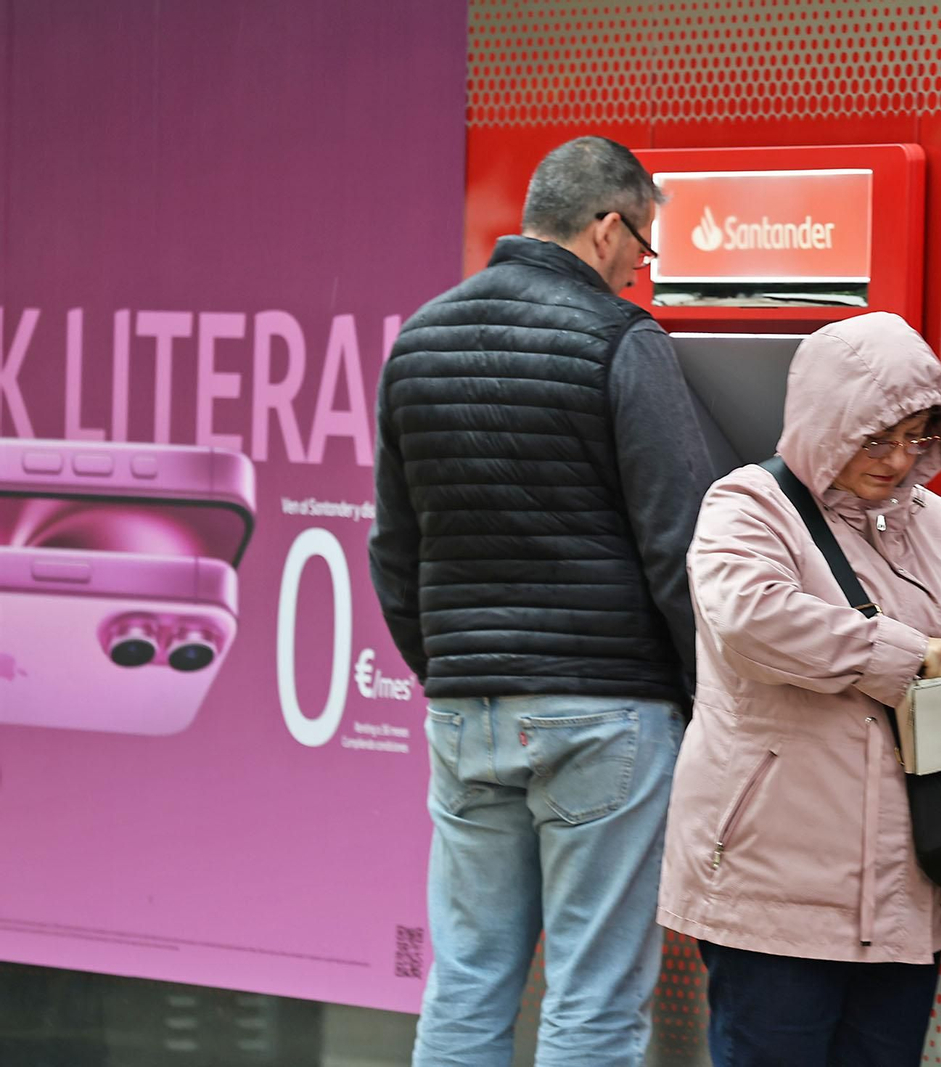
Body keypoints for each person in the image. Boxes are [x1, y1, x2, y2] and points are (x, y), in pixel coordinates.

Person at [369, 136, 713, 1067]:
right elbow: (678, 546)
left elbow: (394, 550)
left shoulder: (421, 337)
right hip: (605, 711)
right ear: (607, 227)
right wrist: (708, 699)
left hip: (467, 713)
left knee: (468, 980)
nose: (643, 270)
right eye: (644, 247)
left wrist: (450, 670)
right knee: (593, 1000)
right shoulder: (622, 342)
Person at [656, 311, 941, 1066]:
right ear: (827, 422)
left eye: (918, 435)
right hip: (778, 883)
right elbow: (753, 621)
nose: (897, 458)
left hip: (911, 882)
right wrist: (915, 658)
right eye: (875, 437)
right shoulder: (749, 504)